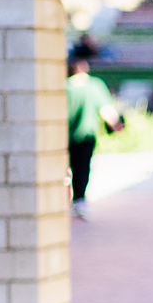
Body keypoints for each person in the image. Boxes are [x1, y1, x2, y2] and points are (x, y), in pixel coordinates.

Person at [66, 50, 122, 219]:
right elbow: (106, 110)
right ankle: (79, 201)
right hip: (86, 135)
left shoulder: (64, 86)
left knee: (65, 171)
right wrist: (116, 124)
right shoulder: (94, 85)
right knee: (82, 170)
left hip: (63, 137)